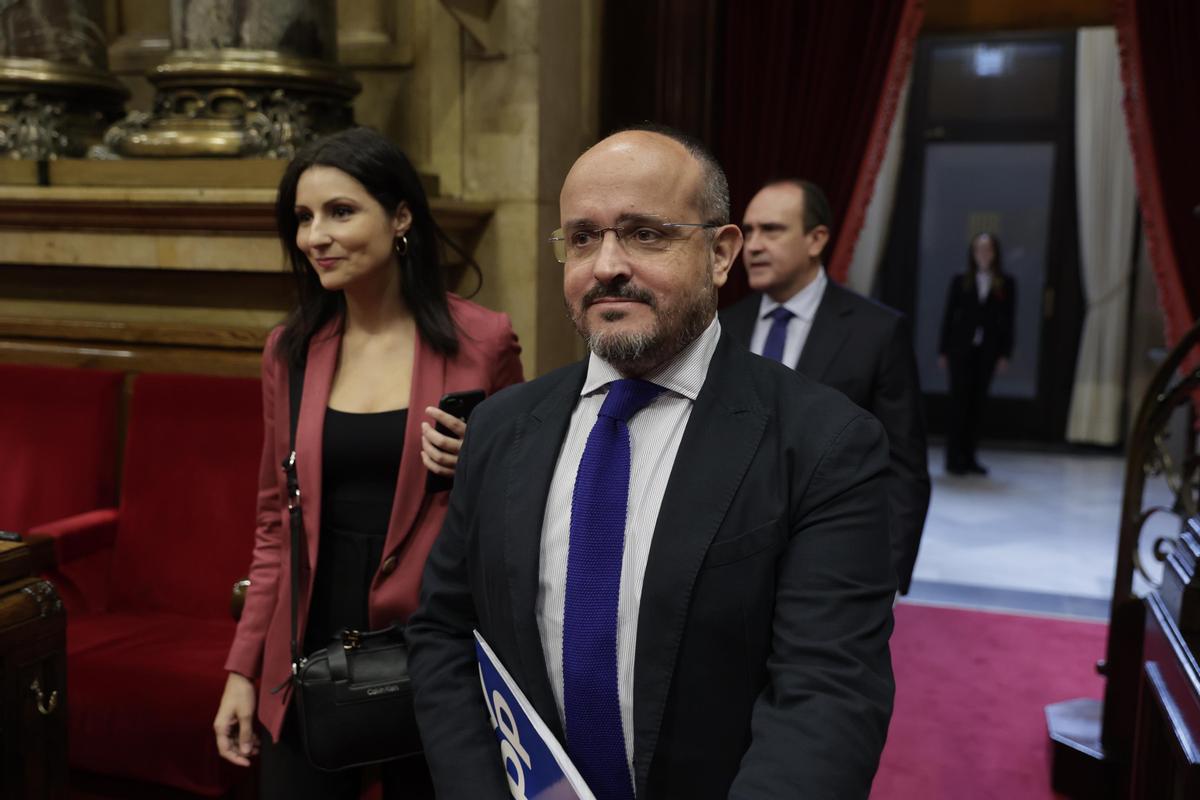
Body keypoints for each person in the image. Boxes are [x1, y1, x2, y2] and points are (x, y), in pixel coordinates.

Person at [407, 125, 895, 800]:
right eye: (582, 237)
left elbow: (827, 698)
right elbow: (443, 635)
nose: (606, 263)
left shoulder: (824, 444)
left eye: (644, 233)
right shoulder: (501, 428)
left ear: (721, 255)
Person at [211, 127, 524, 799]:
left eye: (340, 212)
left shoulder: (483, 340)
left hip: (435, 639)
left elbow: (528, 503)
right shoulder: (290, 349)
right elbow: (275, 521)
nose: (314, 236)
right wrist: (245, 670)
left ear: (401, 216)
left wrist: (482, 458)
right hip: (310, 637)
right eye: (302, 217)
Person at [721, 179, 930, 595]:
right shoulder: (721, 326)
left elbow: (904, 465)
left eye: (773, 230)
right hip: (732, 557)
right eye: (750, 231)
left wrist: (887, 575)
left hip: (833, 555)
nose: (754, 246)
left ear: (816, 239)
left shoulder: (877, 332)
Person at [937, 231, 1015, 476]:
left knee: (977, 405)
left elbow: (1009, 320)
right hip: (961, 349)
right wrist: (943, 349)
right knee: (958, 403)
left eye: (988, 249)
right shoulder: (961, 280)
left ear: (995, 253)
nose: (984, 254)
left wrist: (1005, 353)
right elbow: (949, 317)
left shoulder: (1005, 283)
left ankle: (970, 456)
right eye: (979, 249)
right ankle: (953, 457)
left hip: (988, 351)